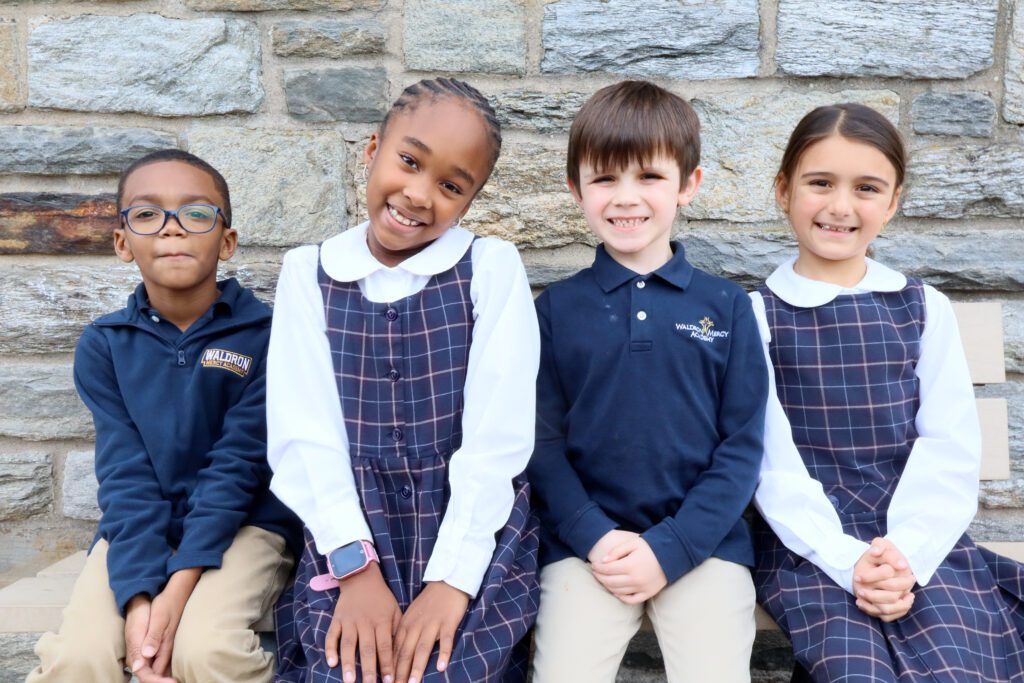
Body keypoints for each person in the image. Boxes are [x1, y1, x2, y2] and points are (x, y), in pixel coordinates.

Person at [267, 77, 540, 683]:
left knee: (444, 670)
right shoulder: (307, 274)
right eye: (408, 161)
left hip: (470, 527)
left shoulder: (490, 269)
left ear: (470, 201)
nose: (418, 194)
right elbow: (304, 437)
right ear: (373, 149)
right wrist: (355, 573)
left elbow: (498, 441)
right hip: (351, 527)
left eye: (450, 185)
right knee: (350, 668)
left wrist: (451, 581)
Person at [752, 102, 1024, 682]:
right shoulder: (757, 316)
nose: (840, 206)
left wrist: (905, 555)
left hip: (921, 540)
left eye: (867, 188)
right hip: (808, 545)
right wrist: (850, 562)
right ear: (783, 190)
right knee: (858, 671)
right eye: (820, 183)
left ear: (894, 202)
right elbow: (771, 465)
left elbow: (949, 446)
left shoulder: (922, 308)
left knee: (959, 664)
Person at [28, 149, 301, 683]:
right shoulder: (105, 344)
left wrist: (175, 595)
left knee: (207, 651)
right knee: (77, 658)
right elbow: (125, 473)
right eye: (148, 214)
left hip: (248, 526)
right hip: (138, 529)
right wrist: (137, 603)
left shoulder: (270, 336)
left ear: (227, 240)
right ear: (122, 243)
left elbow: (238, 469)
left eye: (197, 213)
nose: (173, 229)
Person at [527, 80, 768, 683]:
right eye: (604, 179)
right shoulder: (556, 309)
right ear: (575, 189)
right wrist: (593, 536)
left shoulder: (728, 306)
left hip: (703, 545)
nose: (625, 197)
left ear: (689, 185)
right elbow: (541, 442)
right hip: (587, 549)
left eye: (649, 178)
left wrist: (674, 547)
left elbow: (741, 446)